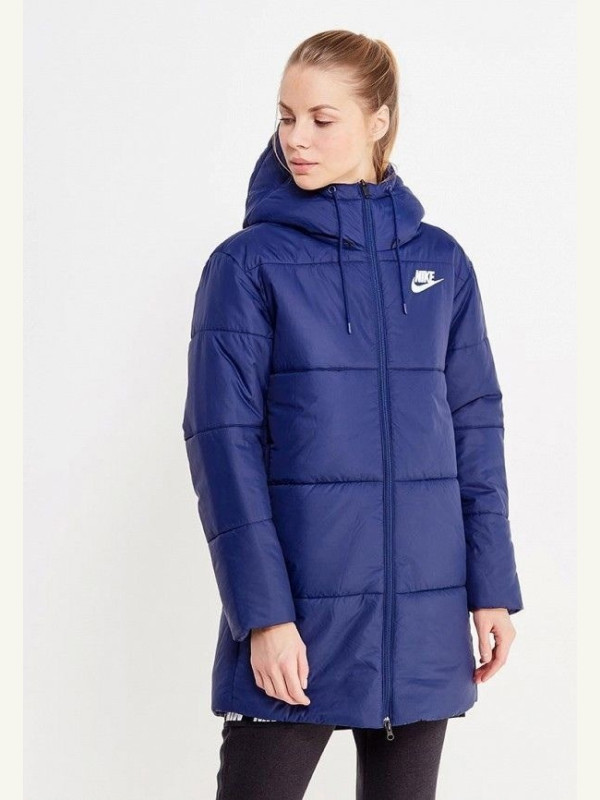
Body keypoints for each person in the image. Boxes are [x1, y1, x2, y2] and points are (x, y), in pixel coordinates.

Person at [182, 29, 524, 800]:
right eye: (285, 117)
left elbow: (475, 425)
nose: (296, 139)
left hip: (424, 613)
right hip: (298, 619)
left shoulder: (441, 262)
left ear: (379, 120)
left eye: (321, 118)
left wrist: (491, 586)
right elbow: (222, 445)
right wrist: (263, 616)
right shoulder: (248, 265)